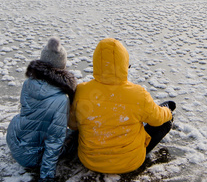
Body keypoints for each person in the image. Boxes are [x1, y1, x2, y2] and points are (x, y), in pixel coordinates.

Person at [69, 38, 175, 174]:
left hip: (90, 161)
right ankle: (165, 111)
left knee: (84, 121)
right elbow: (157, 119)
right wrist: (167, 112)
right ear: (124, 64)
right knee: (164, 122)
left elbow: (72, 125)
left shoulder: (81, 91)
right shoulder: (138, 94)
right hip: (130, 162)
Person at [6, 37, 77, 182]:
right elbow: (54, 142)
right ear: (62, 66)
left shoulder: (28, 83)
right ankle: (45, 173)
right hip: (31, 157)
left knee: (24, 118)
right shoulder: (60, 99)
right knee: (74, 137)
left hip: (15, 142)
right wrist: (46, 178)